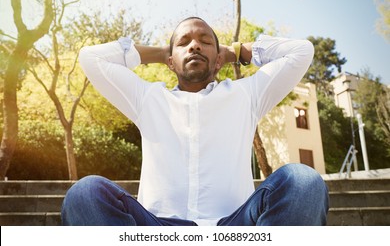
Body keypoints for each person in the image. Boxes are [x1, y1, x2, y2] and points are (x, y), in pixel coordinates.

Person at [61, 17, 329, 226]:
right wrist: (162, 53)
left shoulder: (246, 94)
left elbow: (300, 51)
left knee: (303, 180)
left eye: (204, 41)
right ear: (170, 61)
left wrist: (234, 52)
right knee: (85, 193)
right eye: (183, 42)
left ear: (218, 60)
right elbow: (91, 57)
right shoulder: (147, 98)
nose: (194, 45)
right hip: (156, 231)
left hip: (234, 229)